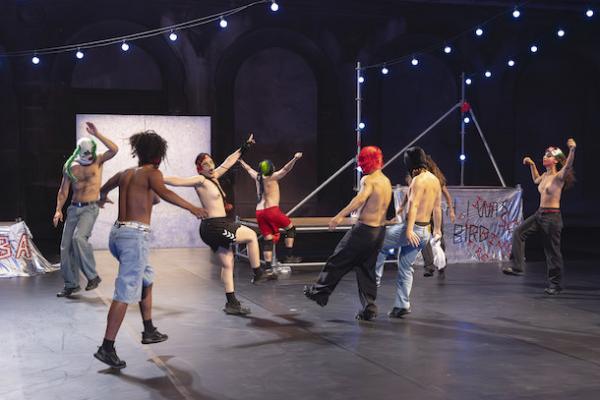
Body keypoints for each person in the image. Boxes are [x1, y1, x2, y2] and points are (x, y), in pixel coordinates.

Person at [93, 130, 207, 369]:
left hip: (118, 234)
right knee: (125, 291)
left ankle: (149, 329)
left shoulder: (126, 174)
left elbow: (105, 188)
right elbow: (165, 193)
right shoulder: (153, 174)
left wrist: (102, 197)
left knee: (146, 278)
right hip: (134, 237)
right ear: (157, 155)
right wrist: (192, 208)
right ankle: (107, 347)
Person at [164, 134, 276, 317]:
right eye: (205, 164)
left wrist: (245, 146)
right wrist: (156, 176)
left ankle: (231, 302)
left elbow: (229, 161)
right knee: (250, 236)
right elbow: (178, 180)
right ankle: (258, 272)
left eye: (211, 162)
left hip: (217, 225)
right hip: (214, 226)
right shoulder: (200, 180)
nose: (210, 166)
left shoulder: (215, 176)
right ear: (200, 168)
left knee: (227, 263)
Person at [304, 146, 392, 321]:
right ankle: (369, 306)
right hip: (379, 232)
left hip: (364, 231)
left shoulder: (369, 180)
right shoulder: (386, 181)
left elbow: (360, 199)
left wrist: (339, 216)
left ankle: (320, 292)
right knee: (366, 269)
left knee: (337, 260)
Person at [373, 146, 442, 318]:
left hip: (414, 228)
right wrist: (437, 230)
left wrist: (409, 230)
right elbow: (437, 208)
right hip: (425, 231)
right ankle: (402, 305)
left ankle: (373, 281)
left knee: (378, 241)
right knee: (405, 266)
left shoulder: (418, 180)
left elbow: (414, 206)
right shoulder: (434, 180)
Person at [502, 138, 576, 295]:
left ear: (555, 160)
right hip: (539, 214)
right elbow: (536, 179)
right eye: (544, 154)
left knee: (552, 252)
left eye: (548, 155)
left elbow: (568, 165)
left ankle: (555, 284)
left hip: (552, 218)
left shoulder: (558, 177)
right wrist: (532, 165)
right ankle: (518, 267)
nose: (544, 157)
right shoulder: (544, 176)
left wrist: (572, 149)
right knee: (518, 233)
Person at [53, 122, 118, 297]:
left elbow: (114, 150)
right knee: (65, 247)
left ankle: (92, 276)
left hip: (90, 208)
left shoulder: (98, 159)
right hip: (74, 208)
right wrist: (58, 209)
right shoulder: (70, 166)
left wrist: (97, 134)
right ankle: (71, 284)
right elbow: (63, 190)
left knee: (79, 238)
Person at [238, 152, 303, 268]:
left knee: (268, 238)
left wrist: (241, 161)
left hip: (259, 212)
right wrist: (295, 158)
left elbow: (248, 169)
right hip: (271, 210)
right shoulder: (273, 177)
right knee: (290, 229)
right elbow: (286, 169)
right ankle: (289, 256)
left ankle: (268, 267)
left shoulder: (257, 177)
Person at [421, 154, 454, 278]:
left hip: (435, 212)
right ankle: (429, 266)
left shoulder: (436, 179)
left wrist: (451, 210)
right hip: (424, 213)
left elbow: (447, 196)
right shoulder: (419, 178)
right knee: (423, 239)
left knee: (438, 237)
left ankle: (441, 263)